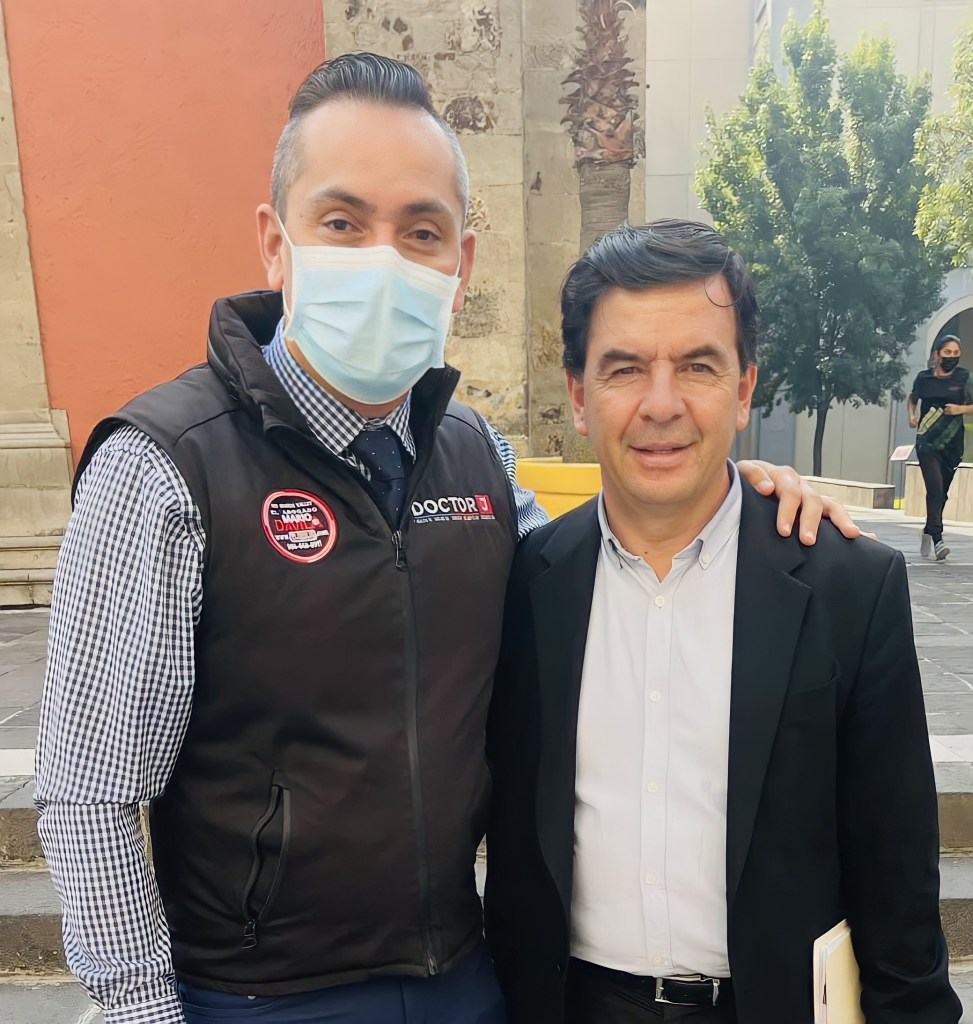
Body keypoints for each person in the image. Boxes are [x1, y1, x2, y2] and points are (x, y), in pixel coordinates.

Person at [35, 57, 857, 1024]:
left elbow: (601, 568)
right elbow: (89, 793)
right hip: (260, 996)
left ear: (460, 266)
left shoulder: (473, 454)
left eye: (421, 232)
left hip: (462, 980)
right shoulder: (167, 467)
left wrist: (739, 502)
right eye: (342, 223)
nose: (383, 259)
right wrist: (141, 1011)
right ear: (274, 243)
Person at [484, 220, 960, 1024]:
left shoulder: (849, 587)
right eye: (624, 368)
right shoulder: (523, 583)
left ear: (743, 391)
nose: (660, 404)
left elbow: (897, 877)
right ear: (578, 395)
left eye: (697, 367)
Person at [908, 334, 973, 561]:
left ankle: (928, 528)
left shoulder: (965, 378)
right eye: (947, 353)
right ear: (937, 354)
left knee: (942, 494)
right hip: (926, 442)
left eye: (956, 353)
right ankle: (938, 538)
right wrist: (912, 416)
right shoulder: (924, 378)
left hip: (952, 444)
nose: (951, 357)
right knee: (935, 490)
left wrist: (960, 409)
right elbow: (913, 398)